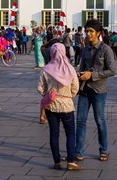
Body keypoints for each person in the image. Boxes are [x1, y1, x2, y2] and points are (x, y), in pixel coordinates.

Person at [75, 19, 116, 163]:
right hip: (85, 89)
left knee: (100, 121)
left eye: (91, 31)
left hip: (99, 90)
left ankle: (103, 150)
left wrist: (92, 75)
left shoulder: (106, 49)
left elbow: (112, 70)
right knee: (80, 121)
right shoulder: (85, 48)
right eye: (87, 31)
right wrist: (80, 75)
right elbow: (81, 66)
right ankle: (78, 151)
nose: (88, 34)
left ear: (98, 33)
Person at [38, 43, 81, 171]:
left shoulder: (46, 69)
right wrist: (69, 95)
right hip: (67, 106)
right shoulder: (70, 69)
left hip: (51, 106)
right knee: (70, 133)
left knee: (54, 134)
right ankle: (71, 161)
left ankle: (57, 161)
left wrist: (48, 94)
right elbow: (75, 87)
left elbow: (40, 88)